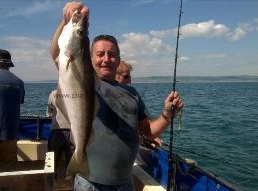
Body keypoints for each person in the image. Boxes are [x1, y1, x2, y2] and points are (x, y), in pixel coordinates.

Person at [51, 2, 183, 190]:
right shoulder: (84, 81)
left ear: (119, 59)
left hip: (125, 184)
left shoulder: (132, 93)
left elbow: (148, 131)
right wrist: (65, 23)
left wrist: (167, 116)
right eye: (100, 54)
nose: (106, 59)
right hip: (90, 184)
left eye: (112, 54)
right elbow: (56, 51)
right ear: (90, 58)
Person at [116, 61, 164, 148]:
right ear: (114, 76)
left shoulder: (133, 94)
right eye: (126, 77)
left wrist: (152, 137)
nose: (129, 81)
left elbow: (145, 120)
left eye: (130, 77)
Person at [46, 89, 74, 179]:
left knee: (50, 166)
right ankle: (70, 186)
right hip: (72, 133)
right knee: (71, 166)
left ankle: (50, 186)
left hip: (56, 131)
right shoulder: (77, 94)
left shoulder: (53, 94)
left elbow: (49, 113)